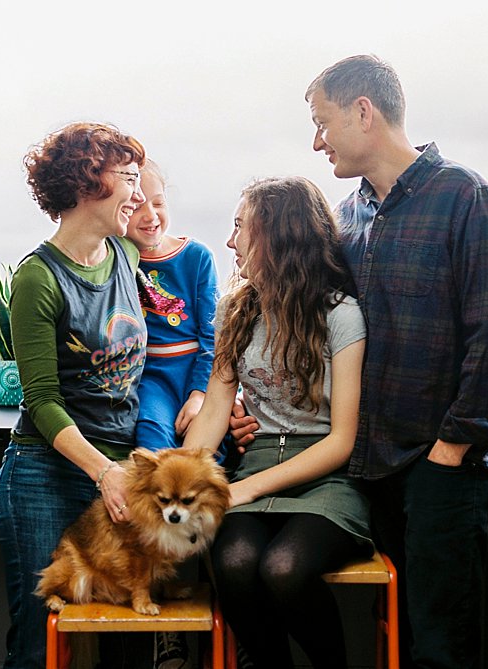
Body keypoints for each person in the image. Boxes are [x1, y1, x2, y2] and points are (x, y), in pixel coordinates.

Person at [232, 54, 488, 668]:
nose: (317, 141)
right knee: (400, 636)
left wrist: (453, 448)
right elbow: (313, 329)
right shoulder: (350, 217)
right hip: (373, 467)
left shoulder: (465, 197)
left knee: (441, 643)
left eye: (323, 122)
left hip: (442, 466)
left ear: (363, 113)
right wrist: (252, 402)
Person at [182, 176, 374, 669]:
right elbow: (214, 413)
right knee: (234, 563)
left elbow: (342, 441)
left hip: (329, 479)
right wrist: (180, 477)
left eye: (240, 227)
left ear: (278, 235)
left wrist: (239, 492)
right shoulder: (235, 310)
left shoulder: (341, 315)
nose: (230, 241)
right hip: (258, 468)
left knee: (285, 568)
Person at [0, 121, 153, 669]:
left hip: (120, 470)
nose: (138, 191)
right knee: (44, 641)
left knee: (128, 633)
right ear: (88, 183)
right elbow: (40, 398)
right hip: (48, 473)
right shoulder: (37, 278)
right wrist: (102, 472)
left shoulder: (126, 258)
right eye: (128, 178)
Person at [125, 158, 219, 452]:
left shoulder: (196, 256)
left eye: (159, 203)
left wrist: (200, 394)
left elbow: (212, 335)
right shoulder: (118, 260)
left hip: (197, 371)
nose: (150, 215)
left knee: (210, 452)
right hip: (151, 378)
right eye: (137, 206)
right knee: (152, 440)